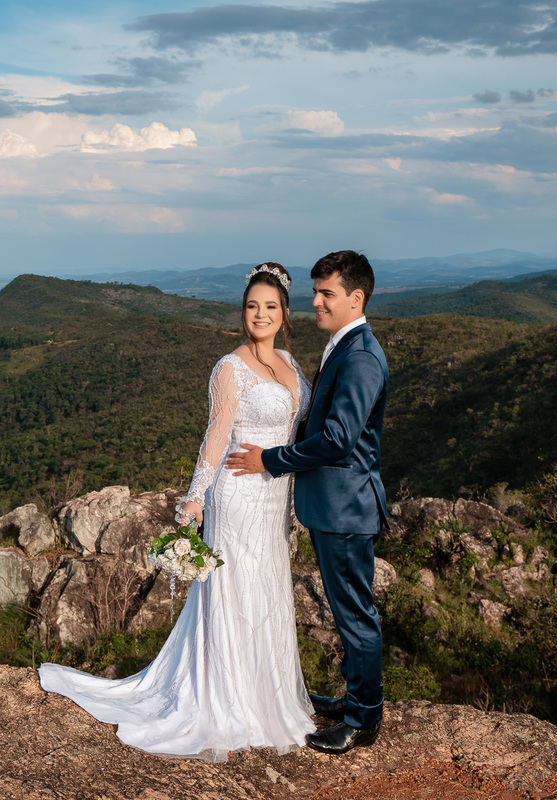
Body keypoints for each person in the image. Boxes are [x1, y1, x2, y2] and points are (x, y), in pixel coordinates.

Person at [38, 262, 316, 761]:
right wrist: (195, 496)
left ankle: (264, 696)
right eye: (252, 306)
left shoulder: (292, 366)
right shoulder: (229, 368)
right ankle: (228, 702)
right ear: (243, 312)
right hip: (236, 492)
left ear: (285, 313)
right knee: (236, 591)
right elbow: (216, 434)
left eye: (270, 306)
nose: (260, 314)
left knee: (268, 589)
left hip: (275, 498)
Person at [226, 250, 389, 755]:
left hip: (345, 509)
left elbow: (339, 439)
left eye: (326, 294)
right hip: (334, 507)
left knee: (356, 615)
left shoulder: (359, 355)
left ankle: (363, 720)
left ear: (355, 298)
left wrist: (272, 459)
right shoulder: (343, 345)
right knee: (347, 614)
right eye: (315, 292)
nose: (315, 302)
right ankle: (354, 698)